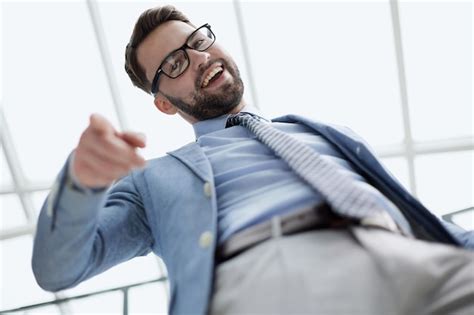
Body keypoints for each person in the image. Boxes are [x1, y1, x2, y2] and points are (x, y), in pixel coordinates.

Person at [32, 4, 473, 315]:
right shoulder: (153, 181)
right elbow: (58, 268)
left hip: (414, 254)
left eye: (199, 40)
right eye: (176, 63)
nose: (201, 57)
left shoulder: (321, 130)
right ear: (164, 104)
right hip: (270, 276)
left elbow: (423, 216)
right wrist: (81, 184)